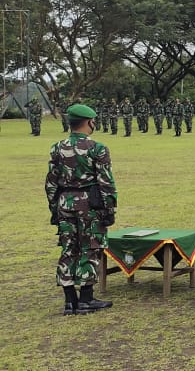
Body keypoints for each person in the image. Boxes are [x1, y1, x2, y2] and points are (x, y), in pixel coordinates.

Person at [45, 104, 117, 315]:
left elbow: (51, 183)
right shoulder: (97, 148)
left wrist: (54, 210)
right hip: (89, 204)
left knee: (68, 248)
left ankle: (70, 301)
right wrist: (109, 209)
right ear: (89, 122)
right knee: (90, 247)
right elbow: (106, 183)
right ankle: (86, 298)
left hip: (64, 202)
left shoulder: (57, 147)